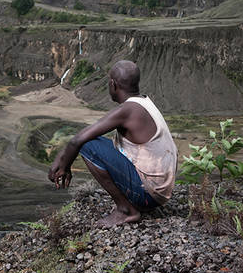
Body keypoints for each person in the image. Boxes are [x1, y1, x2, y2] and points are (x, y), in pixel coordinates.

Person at [48, 60, 177, 227]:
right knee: (96, 143)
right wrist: (63, 156)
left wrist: (64, 165)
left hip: (149, 195)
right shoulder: (143, 102)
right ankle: (132, 204)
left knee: (88, 145)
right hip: (159, 192)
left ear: (113, 85)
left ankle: (126, 210)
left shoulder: (127, 110)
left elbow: (79, 140)